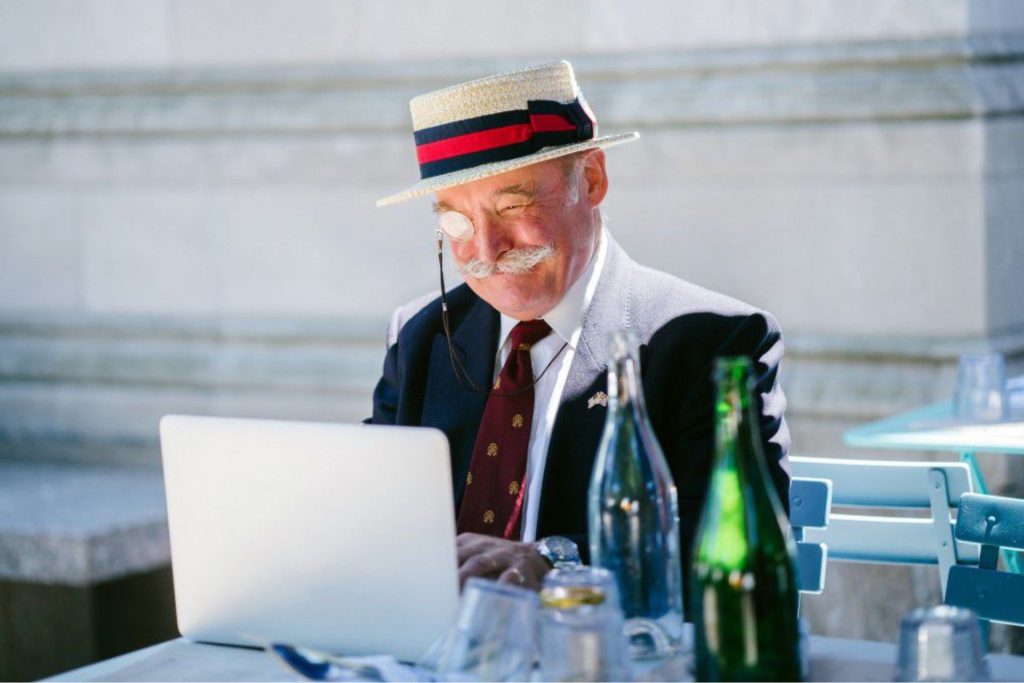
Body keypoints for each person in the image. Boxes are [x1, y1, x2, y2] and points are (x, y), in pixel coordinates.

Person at [370, 61, 790, 591]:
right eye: (456, 221)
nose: (486, 249)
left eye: (513, 205)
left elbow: (735, 554)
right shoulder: (421, 336)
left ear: (591, 179)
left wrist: (558, 565)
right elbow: (370, 516)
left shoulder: (712, 341)